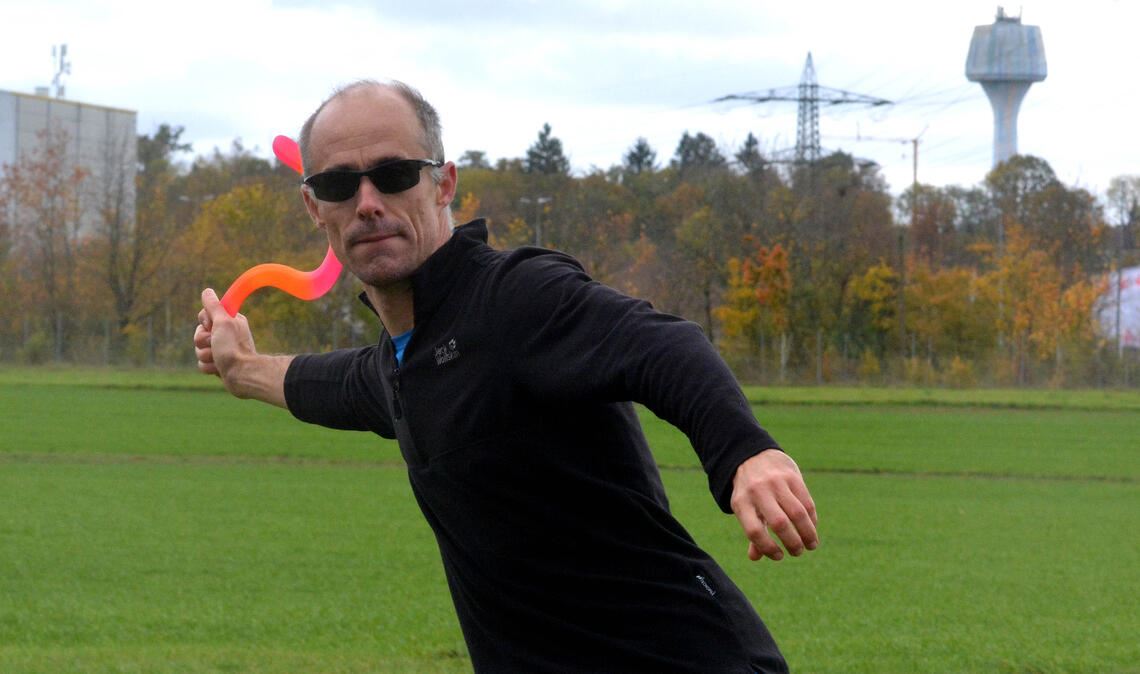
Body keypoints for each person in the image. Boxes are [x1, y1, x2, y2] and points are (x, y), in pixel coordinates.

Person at [194, 79, 818, 673]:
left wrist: (746, 452)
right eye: (338, 184)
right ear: (314, 207)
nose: (368, 204)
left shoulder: (516, 298)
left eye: (394, 174)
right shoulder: (406, 362)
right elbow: (339, 385)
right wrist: (242, 369)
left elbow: (661, 346)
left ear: (443, 184)